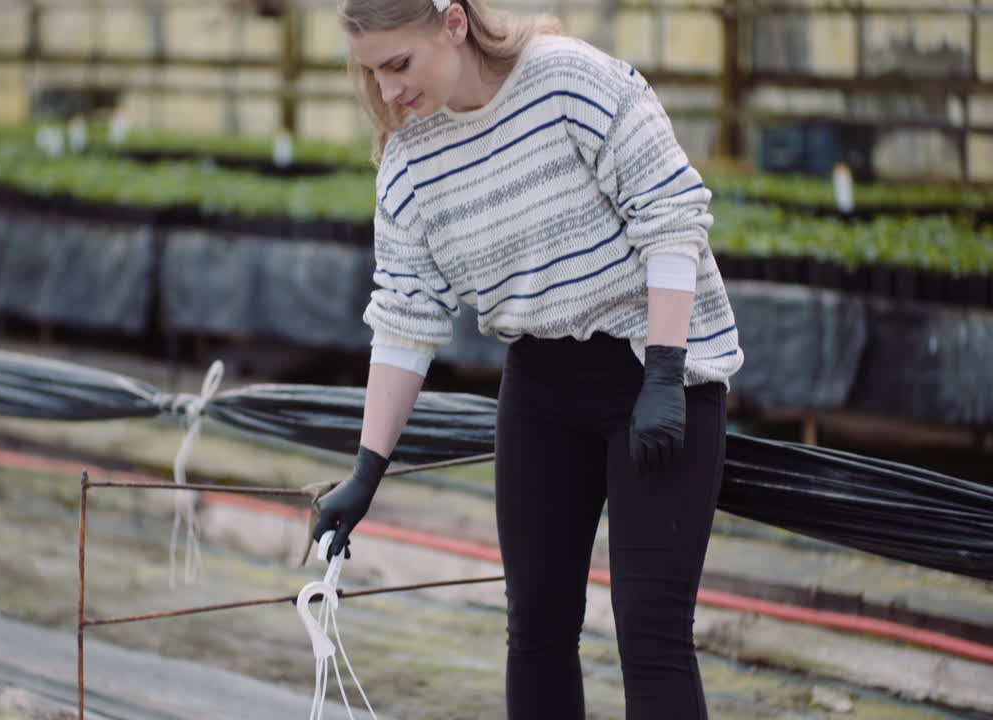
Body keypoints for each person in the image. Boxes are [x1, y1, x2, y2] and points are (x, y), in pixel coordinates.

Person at [311, 0, 744, 717]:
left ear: (452, 23)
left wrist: (667, 370)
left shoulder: (569, 81)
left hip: (656, 375)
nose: (387, 92)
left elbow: (671, 216)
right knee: (536, 629)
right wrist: (367, 469)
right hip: (543, 386)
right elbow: (405, 314)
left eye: (398, 65)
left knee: (651, 632)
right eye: (370, 73)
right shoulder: (412, 160)